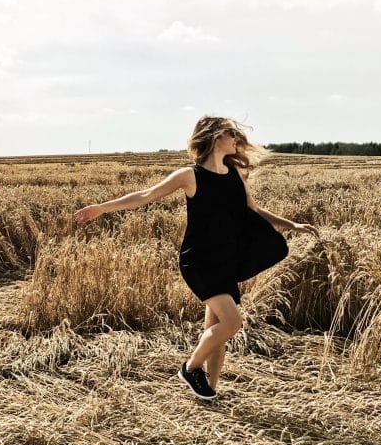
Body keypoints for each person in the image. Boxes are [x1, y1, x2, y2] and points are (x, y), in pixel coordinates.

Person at [74, 115, 320, 400]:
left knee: (217, 331)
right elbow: (146, 195)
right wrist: (101, 208)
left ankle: (210, 392)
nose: (237, 141)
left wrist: (292, 225)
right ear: (216, 138)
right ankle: (191, 368)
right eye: (232, 135)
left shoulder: (235, 175)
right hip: (200, 261)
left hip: (226, 259)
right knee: (232, 323)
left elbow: (254, 210)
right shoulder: (189, 176)